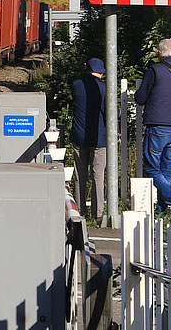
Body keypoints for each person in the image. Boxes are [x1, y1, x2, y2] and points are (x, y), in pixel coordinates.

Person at [134, 38, 171, 216]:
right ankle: (162, 212)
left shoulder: (154, 70)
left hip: (157, 125)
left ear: (159, 53)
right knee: (166, 171)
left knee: (152, 169)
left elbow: (140, 98)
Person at [70, 57, 107, 221]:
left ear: (87, 69)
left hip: (79, 136)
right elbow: (110, 113)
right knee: (98, 175)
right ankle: (98, 214)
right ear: (101, 72)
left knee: (80, 175)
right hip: (99, 138)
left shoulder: (76, 85)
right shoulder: (104, 89)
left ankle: (80, 211)